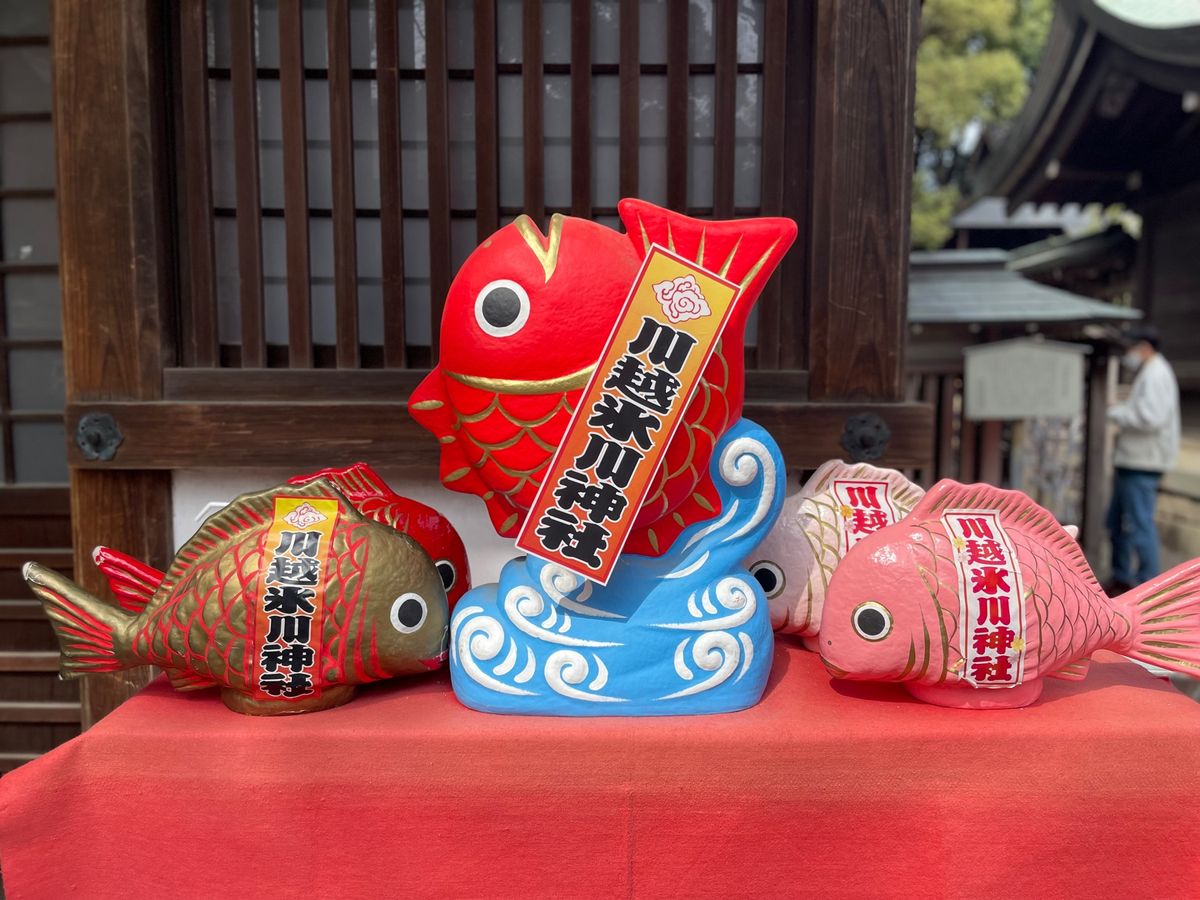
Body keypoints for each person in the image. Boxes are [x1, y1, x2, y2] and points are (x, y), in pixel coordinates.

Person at [1106, 324, 1180, 592]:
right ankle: (1123, 577)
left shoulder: (1156, 374)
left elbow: (1150, 418)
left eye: (1131, 348)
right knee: (1118, 522)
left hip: (1142, 462)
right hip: (1133, 460)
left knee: (1138, 524)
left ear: (1144, 347)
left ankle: (1148, 584)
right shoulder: (1151, 372)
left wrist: (1116, 414)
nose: (1129, 354)